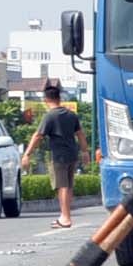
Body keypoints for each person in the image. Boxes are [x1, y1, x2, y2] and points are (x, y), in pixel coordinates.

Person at [20, 83, 89, 228]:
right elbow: (80, 134)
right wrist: (85, 152)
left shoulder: (50, 116)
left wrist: (27, 154)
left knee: (62, 186)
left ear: (46, 100)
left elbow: (38, 135)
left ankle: (65, 218)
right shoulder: (71, 114)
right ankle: (65, 215)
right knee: (68, 186)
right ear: (59, 98)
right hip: (72, 154)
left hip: (59, 156)